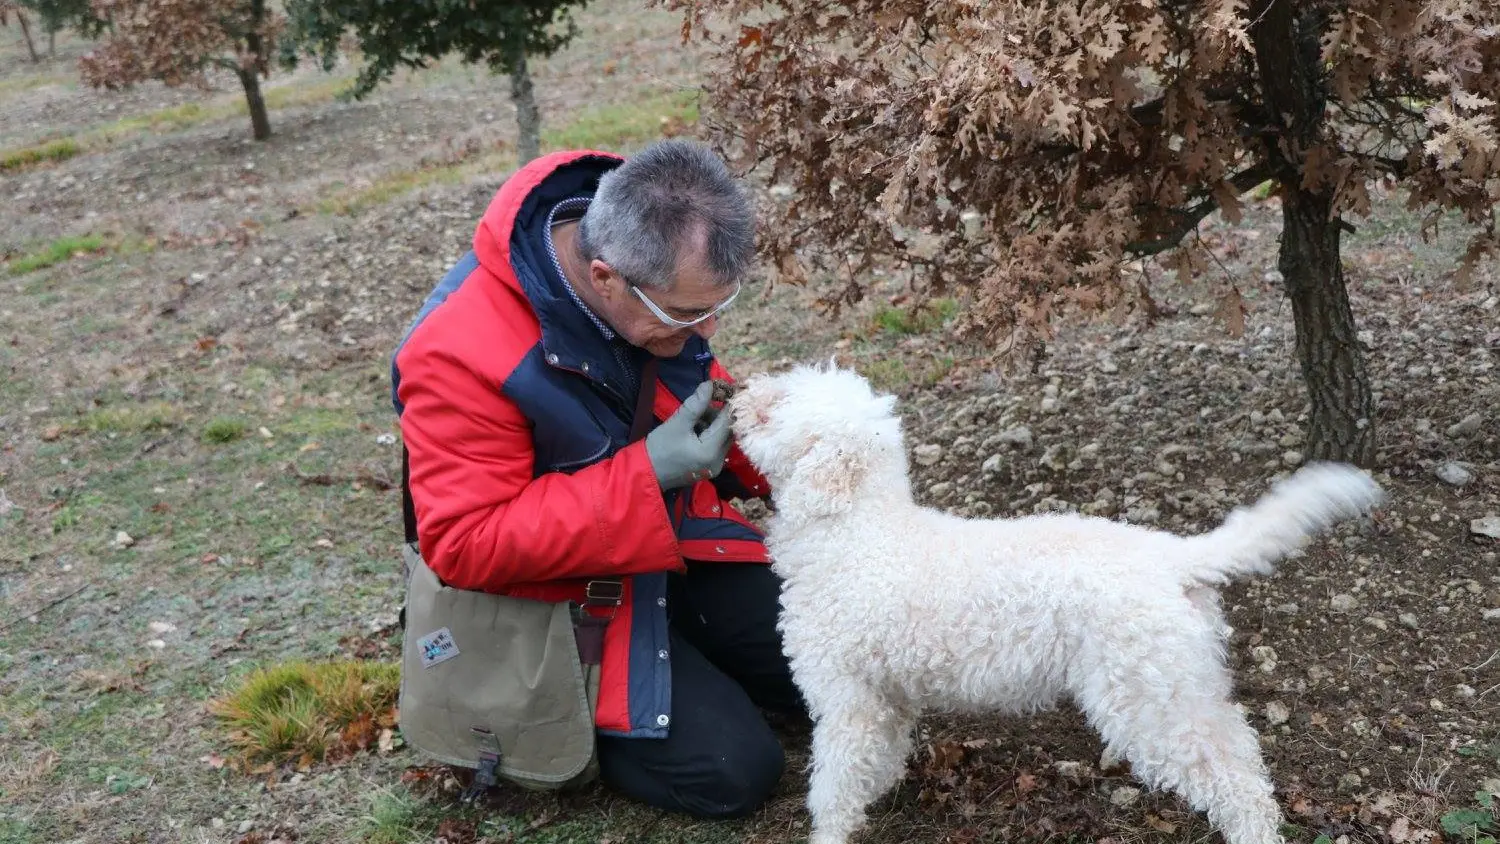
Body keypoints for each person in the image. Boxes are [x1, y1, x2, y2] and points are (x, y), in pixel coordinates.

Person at [390, 139, 805, 819]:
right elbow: (463, 543)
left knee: (835, 663)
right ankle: (579, 726)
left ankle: (689, 653)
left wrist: (789, 446)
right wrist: (646, 474)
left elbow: (686, 386)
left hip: (673, 548)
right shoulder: (455, 352)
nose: (704, 329)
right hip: (557, 605)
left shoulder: (650, 269)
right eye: (687, 315)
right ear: (606, 277)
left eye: (715, 310)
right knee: (735, 772)